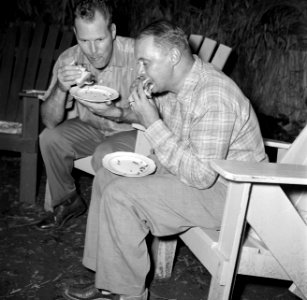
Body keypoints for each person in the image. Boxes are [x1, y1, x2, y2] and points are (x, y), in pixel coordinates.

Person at [63, 20, 267, 300]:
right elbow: (154, 121)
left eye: (145, 62)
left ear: (173, 57)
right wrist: (119, 112)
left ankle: (128, 295)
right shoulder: (173, 84)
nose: (139, 70)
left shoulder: (214, 94)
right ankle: (108, 283)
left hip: (231, 193)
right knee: (108, 175)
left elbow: (201, 176)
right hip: (192, 171)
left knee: (123, 196)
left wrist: (152, 121)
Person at [36, 0, 140, 230]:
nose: (92, 51)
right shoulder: (69, 59)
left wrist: (119, 113)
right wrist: (61, 88)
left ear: (112, 32)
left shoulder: (138, 56)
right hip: (91, 127)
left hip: (131, 131)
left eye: (99, 40)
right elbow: (49, 121)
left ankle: (108, 225)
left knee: (104, 154)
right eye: (84, 41)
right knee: (49, 138)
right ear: (75, 34)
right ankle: (68, 201)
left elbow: (158, 115)